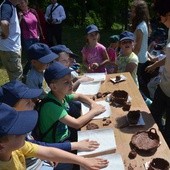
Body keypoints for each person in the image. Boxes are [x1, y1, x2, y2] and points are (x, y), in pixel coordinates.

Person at [0, 80, 102, 169]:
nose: (34, 103)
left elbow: (43, 149)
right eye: (27, 102)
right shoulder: (14, 141)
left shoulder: (16, 143)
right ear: (11, 109)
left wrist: (82, 160)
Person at [38, 61, 106, 144]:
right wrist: (94, 111)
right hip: (57, 143)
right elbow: (76, 124)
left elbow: (79, 96)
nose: (72, 84)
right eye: (66, 82)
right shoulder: (51, 106)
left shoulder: (61, 95)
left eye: (71, 80)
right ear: (54, 86)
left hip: (66, 132)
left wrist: (93, 104)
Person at [145, 0, 170, 148]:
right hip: (164, 85)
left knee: (169, 133)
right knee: (154, 114)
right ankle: (153, 141)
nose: (159, 20)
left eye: (161, 16)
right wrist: (156, 63)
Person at [17, 0, 45, 76]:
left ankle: (33, 72)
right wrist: (20, 18)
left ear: (27, 2)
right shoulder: (19, 14)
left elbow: (38, 23)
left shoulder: (33, 11)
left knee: (36, 56)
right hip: (27, 38)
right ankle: (25, 73)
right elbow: (17, 27)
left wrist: (39, 34)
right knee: (31, 57)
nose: (20, 5)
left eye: (22, 3)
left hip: (36, 37)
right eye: (19, 4)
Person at [130, 0, 151, 96]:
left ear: (138, 12)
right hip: (142, 58)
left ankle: (145, 100)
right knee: (139, 81)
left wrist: (128, 58)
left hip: (138, 59)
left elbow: (137, 48)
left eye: (133, 11)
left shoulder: (139, 28)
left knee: (134, 82)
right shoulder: (144, 24)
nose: (131, 12)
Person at [0, 0, 23, 81]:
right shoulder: (7, 6)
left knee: (15, 76)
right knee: (16, 77)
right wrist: (6, 34)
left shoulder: (10, 6)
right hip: (10, 48)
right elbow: (4, 23)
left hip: (10, 48)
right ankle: (16, 93)